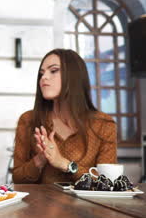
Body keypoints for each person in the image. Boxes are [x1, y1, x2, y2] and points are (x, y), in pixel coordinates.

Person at [13, 49, 117, 184]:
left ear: (74, 76)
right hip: (40, 204)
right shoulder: (28, 120)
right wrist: (40, 159)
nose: (44, 77)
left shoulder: (104, 124)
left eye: (53, 70)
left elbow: (107, 183)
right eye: (41, 73)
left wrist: (65, 164)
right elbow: (17, 179)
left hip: (88, 205)